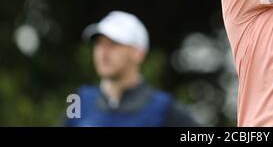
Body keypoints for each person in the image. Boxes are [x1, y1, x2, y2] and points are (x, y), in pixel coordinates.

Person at [64, 11, 200, 127]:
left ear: (138, 53)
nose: (103, 52)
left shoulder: (164, 108)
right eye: (99, 44)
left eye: (113, 44)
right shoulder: (81, 100)